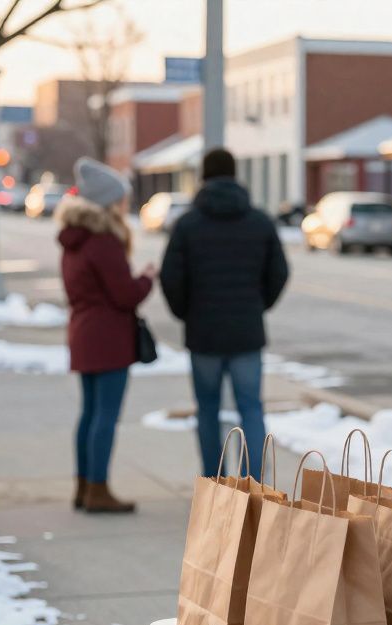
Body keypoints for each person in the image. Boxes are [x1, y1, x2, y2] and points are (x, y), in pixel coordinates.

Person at [160, 148, 288, 478]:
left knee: (207, 411)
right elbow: (279, 273)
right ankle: (256, 486)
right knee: (251, 408)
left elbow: (171, 277)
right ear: (235, 175)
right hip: (246, 330)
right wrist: (258, 305)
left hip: (203, 333)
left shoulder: (187, 224)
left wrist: (185, 312)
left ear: (203, 176)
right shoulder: (258, 221)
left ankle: (214, 483)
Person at [58, 157, 154, 513]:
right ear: (106, 202)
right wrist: (146, 278)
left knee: (89, 414)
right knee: (105, 416)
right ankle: (98, 488)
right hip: (108, 338)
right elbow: (125, 294)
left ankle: (84, 486)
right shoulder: (104, 242)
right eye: (120, 199)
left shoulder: (75, 240)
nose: (124, 205)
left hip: (83, 333)